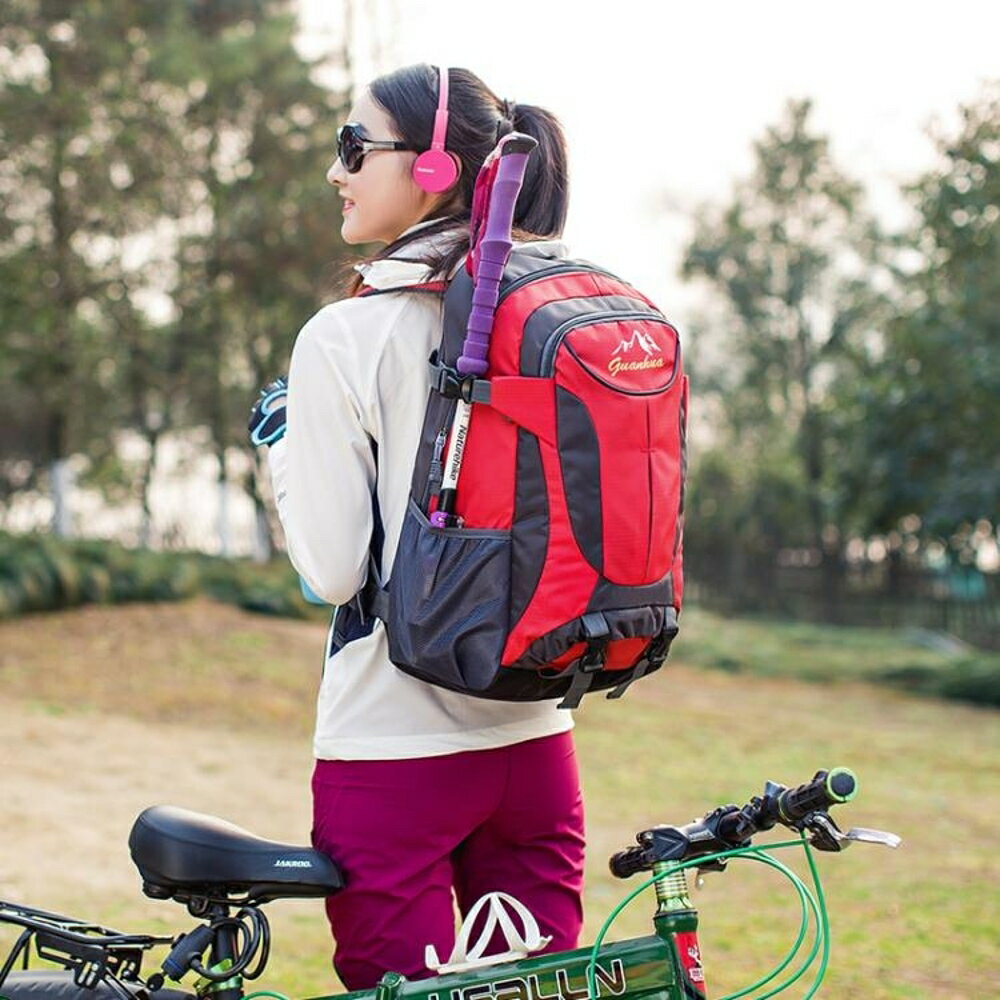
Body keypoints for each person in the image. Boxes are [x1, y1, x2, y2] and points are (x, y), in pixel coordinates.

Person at [249, 65, 585, 991]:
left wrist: (280, 438)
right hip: (534, 738)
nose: (336, 171)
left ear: (434, 166)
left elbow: (330, 571)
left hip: (394, 755)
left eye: (355, 148)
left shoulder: (343, 337)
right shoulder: (546, 316)